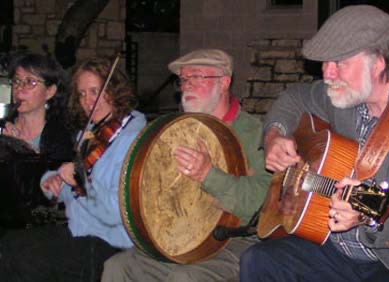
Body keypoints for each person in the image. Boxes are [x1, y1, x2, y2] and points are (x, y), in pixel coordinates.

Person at [239, 5, 389, 282]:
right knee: (259, 261)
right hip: (333, 246)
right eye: (325, 63)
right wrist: (274, 135)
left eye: (339, 63)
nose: (327, 74)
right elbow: (294, 98)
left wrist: (368, 215)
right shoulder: (343, 97)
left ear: (378, 62)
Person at [101, 49, 272, 282]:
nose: (186, 85)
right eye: (183, 79)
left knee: (186, 277)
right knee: (118, 266)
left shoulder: (255, 133)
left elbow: (264, 202)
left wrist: (209, 175)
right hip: (180, 238)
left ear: (224, 82)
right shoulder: (176, 129)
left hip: (234, 240)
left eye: (197, 77)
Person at [0, 57, 147, 281]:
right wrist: (54, 182)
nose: (89, 101)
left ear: (114, 90)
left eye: (95, 91)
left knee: (20, 255)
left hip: (110, 239)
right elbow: (71, 193)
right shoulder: (88, 134)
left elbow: (115, 212)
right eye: (82, 94)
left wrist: (79, 182)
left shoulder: (133, 140)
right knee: (10, 245)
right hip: (79, 228)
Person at [0, 52, 74, 230]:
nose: (19, 89)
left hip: (37, 229)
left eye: (30, 82)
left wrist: (21, 152)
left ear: (50, 91)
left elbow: (51, 198)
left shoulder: (61, 136)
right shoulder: (2, 128)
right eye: (17, 81)